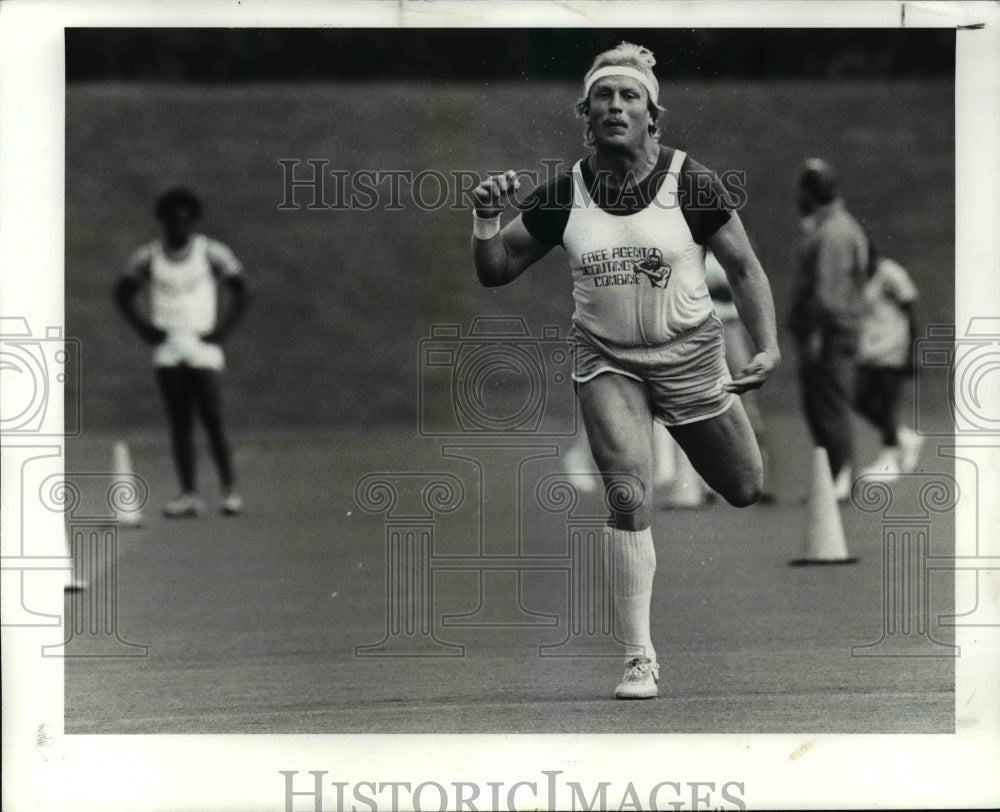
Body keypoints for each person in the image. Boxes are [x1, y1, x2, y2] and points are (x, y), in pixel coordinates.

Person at [470, 42, 780, 699]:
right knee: (628, 494)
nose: (616, 106)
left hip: (692, 356)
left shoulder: (690, 181)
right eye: (603, 98)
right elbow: (496, 269)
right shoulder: (565, 197)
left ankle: (707, 443)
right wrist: (485, 217)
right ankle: (640, 657)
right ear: (586, 115)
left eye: (629, 96)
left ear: (651, 115)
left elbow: (747, 269)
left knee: (746, 486)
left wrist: (766, 346)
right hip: (607, 359)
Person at [114, 187, 249, 517]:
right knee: (180, 421)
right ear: (163, 222)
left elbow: (242, 288)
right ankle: (188, 493)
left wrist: (224, 329)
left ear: (193, 221)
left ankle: (229, 490)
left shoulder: (210, 252)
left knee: (212, 416)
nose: (179, 226)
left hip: (202, 346)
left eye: (185, 220)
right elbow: (123, 292)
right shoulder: (149, 256)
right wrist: (143, 328)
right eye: (173, 220)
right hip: (169, 348)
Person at [788, 159, 868, 502]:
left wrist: (816, 335)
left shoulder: (834, 232)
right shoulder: (828, 227)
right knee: (820, 404)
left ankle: (840, 477)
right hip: (829, 330)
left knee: (829, 404)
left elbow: (828, 292)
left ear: (811, 192)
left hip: (829, 332)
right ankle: (834, 476)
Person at [705, 249, 775, 502]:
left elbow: (742, 283)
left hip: (731, 331)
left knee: (746, 403)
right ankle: (707, 486)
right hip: (703, 332)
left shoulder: (729, 252)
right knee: (704, 405)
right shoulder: (691, 251)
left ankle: (761, 478)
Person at [854, 240, 923, 478]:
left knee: (888, 403)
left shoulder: (890, 274)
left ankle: (890, 460)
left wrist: (913, 352)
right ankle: (904, 437)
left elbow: (910, 313)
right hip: (869, 351)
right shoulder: (858, 277)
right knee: (859, 398)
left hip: (893, 349)